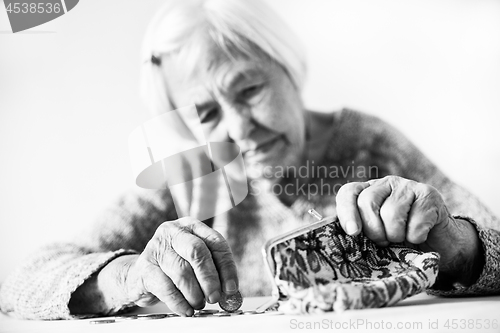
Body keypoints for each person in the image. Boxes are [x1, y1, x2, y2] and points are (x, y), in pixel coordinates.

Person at [1, 0, 499, 320]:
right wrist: (129, 276)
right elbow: (24, 281)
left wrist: (455, 242)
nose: (239, 129)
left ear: (288, 67)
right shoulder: (197, 174)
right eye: (205, 112)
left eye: (251, 88)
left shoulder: (369, 145)